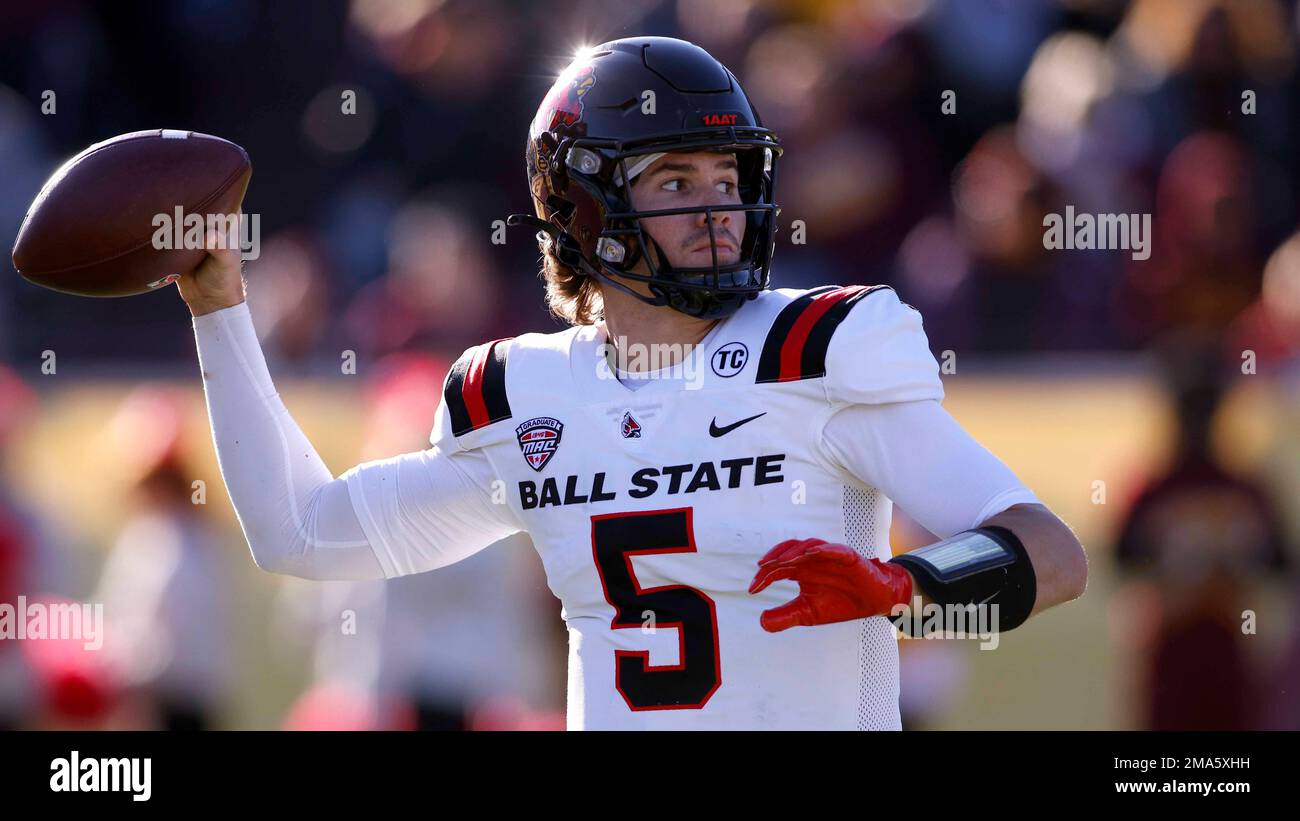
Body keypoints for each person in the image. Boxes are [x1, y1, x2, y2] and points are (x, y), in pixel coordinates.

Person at [179, 36, 1087, 730]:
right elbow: (299, 532)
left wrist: (904, 588)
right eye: (677, 177)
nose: (719, 208)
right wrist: (218, 307)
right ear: (583, 207)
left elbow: (1051, 554)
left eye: (728, 176)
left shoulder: (817, 350)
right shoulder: (528, 395)